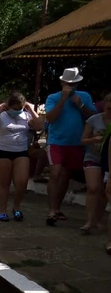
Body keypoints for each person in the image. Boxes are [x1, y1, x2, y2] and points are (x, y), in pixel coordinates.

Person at [44, 67, 96, 226]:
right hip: (56, 141)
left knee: (65, 176)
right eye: (68, 83)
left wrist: (80, 106)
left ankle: (57, 208)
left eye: (75, 84)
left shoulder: (84, 96)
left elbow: (94, 118)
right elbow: (50, 118)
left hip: (75, 142)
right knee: (55, 172)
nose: (72, 86)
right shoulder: (53, 98)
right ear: (62, 82)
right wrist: (63, 99)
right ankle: (52, 210)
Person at [0, 92, 44, 222]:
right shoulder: (2, 115)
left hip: (21, 152)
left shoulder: (26, 115)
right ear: (8, 106)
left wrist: (30, 109)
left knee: (22, 182)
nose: (17, 111)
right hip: (2, 151)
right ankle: (3, 211)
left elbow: (40, 125)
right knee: (4, 183)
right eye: (14, 108)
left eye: (19, 108)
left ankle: (16, 207)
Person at [79, 93, 111, 235]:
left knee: (104, 192)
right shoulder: (94, 119)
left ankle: (97, 220)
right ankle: (89, 221)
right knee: (93, 187)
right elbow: (83, 140)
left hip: (108, 160)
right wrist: (94, 140)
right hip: (93, 156)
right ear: (104, 105)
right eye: (109, 108)